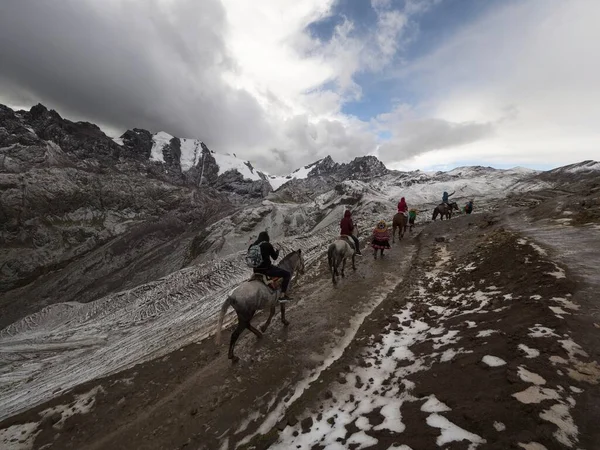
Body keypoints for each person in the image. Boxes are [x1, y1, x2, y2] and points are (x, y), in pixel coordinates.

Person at [248, 231, 293, 302]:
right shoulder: (267, 244)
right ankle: (282, 296)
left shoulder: (252, 246)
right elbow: (274, 257)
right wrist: (277, 251)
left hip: (256, 270)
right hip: (266, 269)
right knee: (287, 274)